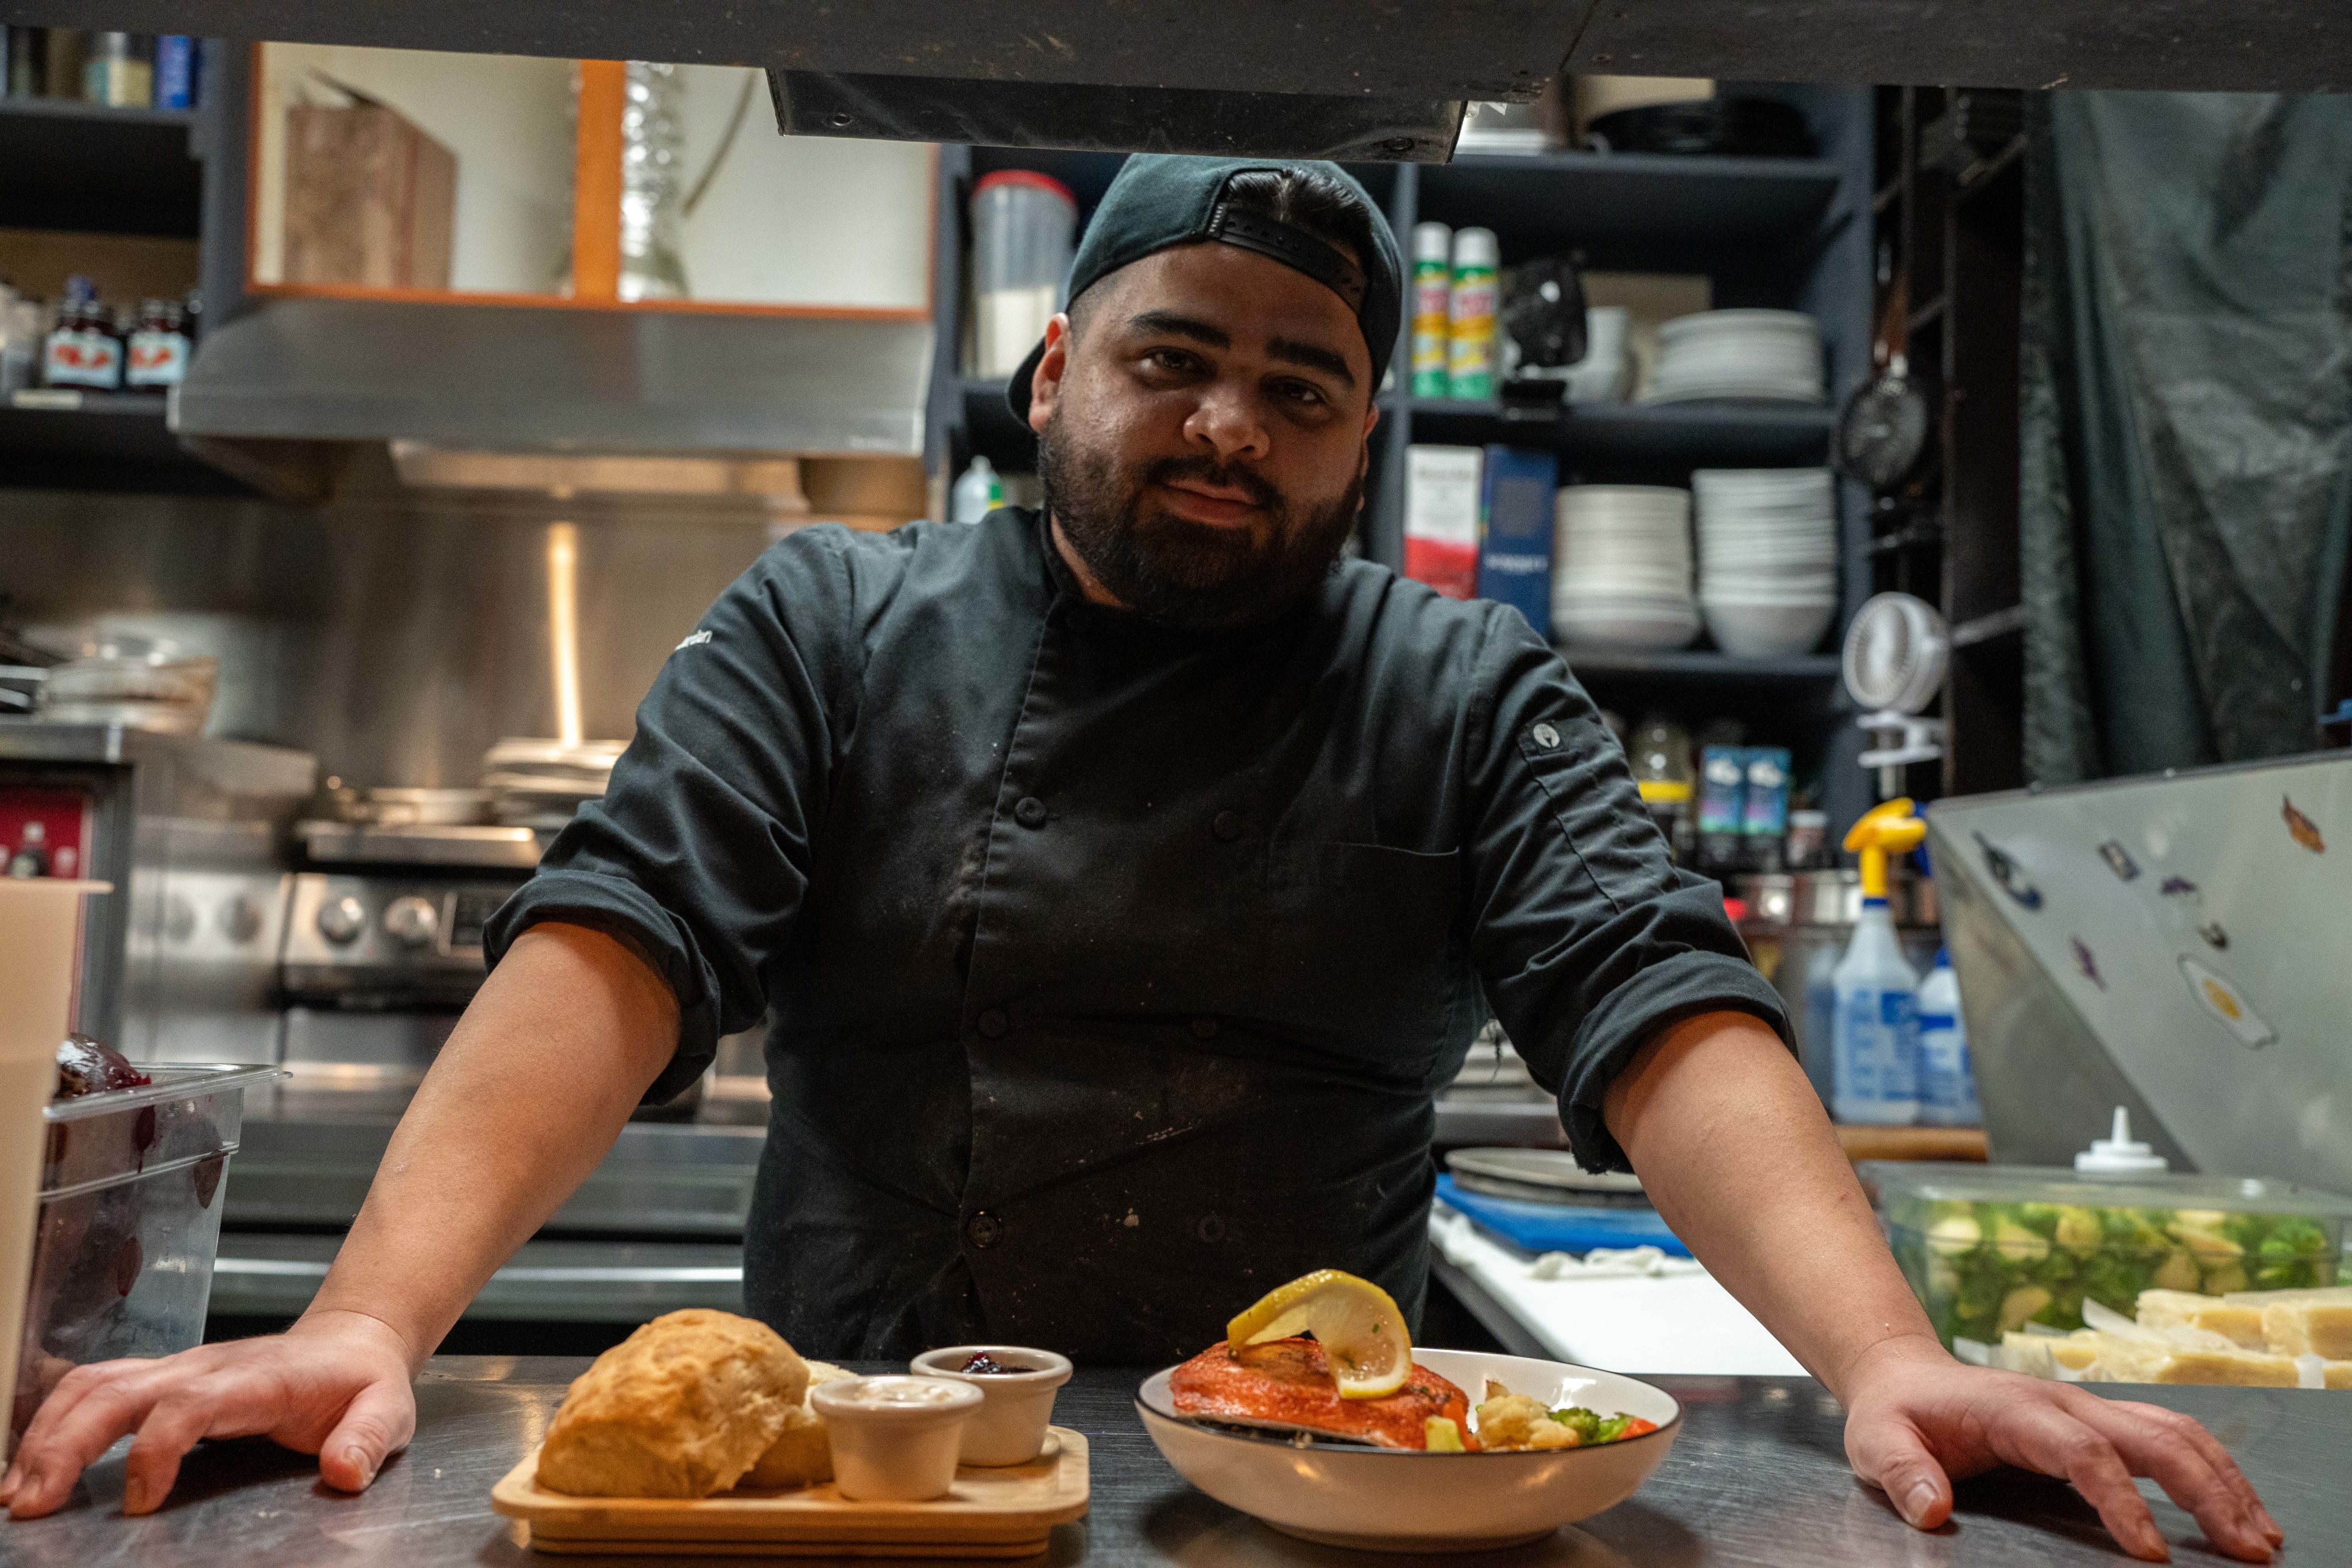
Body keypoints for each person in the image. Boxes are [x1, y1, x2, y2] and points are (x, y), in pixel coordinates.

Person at [3, 157, 2277, 1564]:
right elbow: (619, 936)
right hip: (857, 1483)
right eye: (1176, 359)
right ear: (1056, 363)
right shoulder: (828, 621)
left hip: (1309, 1499)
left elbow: (1654, 1001)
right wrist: (363, 1319)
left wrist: (1883, 1357)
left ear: (1365, 433)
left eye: (1302, 388)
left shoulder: (1464, 689)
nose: (1230, 422)